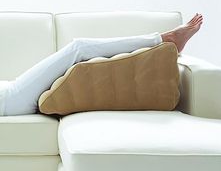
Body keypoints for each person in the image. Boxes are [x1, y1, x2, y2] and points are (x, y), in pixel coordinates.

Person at [0, 13, 203, 116]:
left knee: (79, 49)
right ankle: (165, 39)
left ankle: (163, 40)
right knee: (79, 48)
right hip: (12, 98)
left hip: (12, 90)